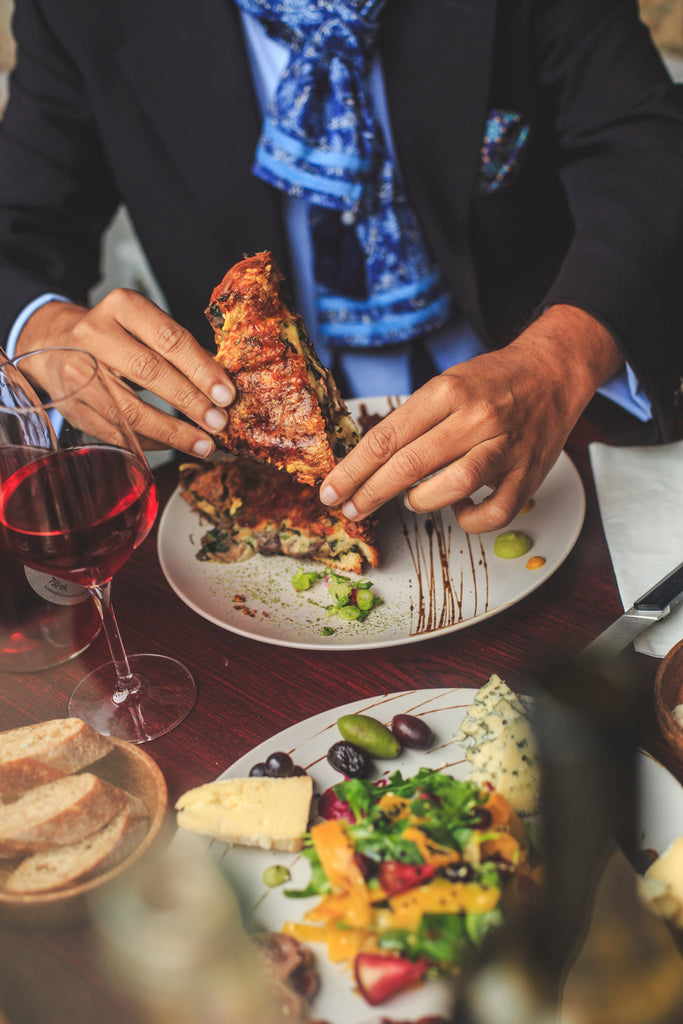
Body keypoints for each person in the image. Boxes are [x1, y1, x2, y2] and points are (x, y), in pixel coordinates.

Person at [0, 0, 682, 534]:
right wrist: (39, 331)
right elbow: (17, 237)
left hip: (549, 431)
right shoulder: (77, 7)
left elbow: (644, 145)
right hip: (256, 475)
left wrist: (564, 355)